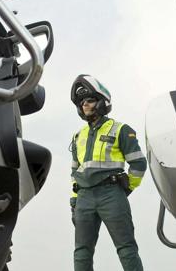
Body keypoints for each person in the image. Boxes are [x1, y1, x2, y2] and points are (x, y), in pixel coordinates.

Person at [69, 74, 146, 271]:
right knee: (82, 251)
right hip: (84, 197)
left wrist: (126, 188)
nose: (85, 105)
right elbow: (74, 172)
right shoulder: (78, 135)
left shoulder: (120, 129)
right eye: (82, 102)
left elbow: (138, 163)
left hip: (111, 193)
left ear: (102, 102)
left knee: (126, 247)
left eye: (90, 100)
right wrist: (74, 201)